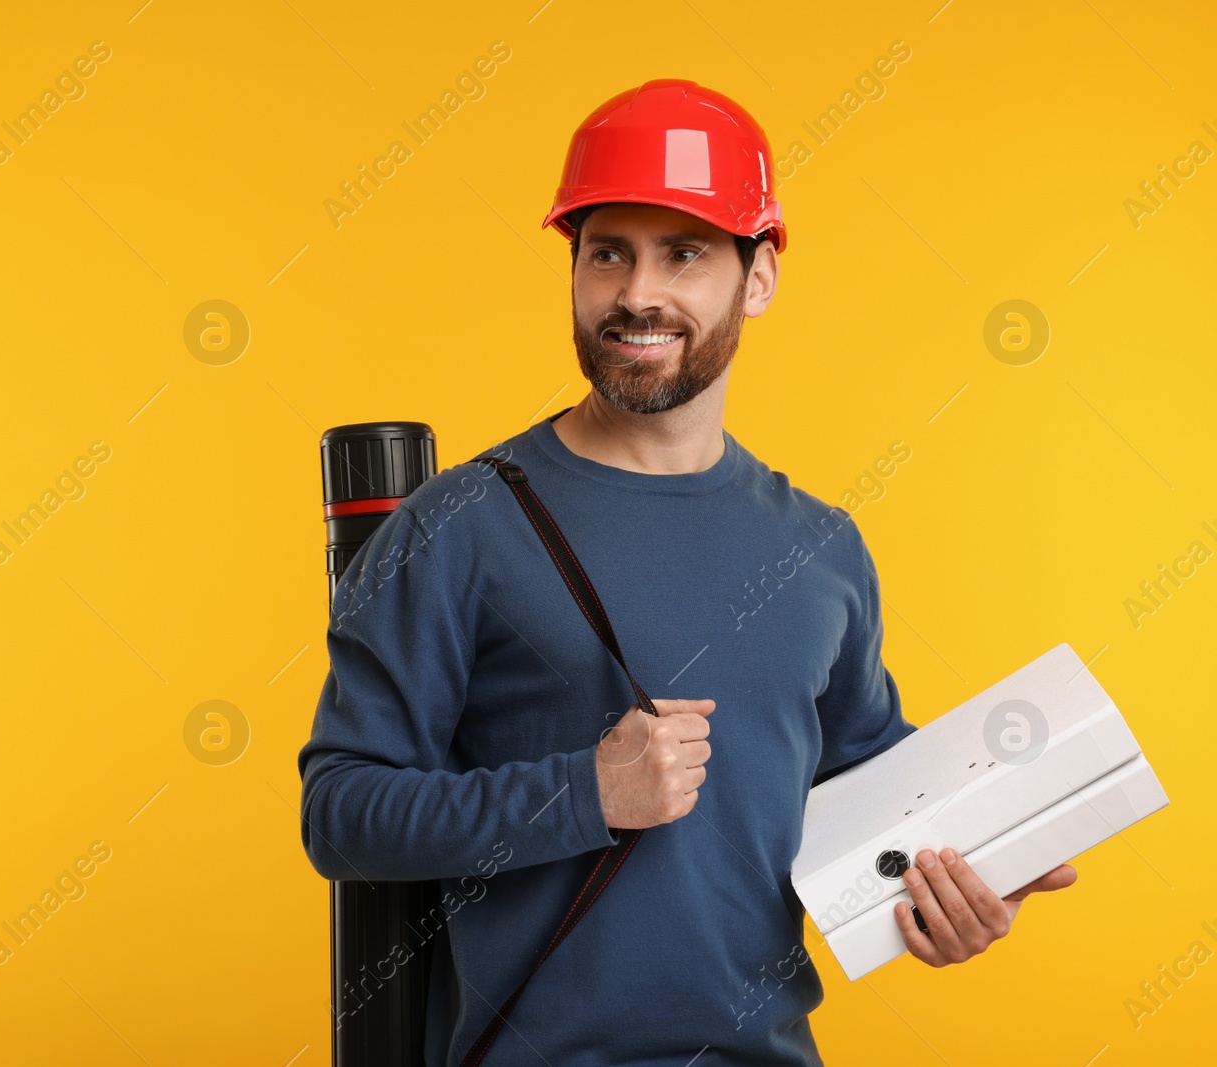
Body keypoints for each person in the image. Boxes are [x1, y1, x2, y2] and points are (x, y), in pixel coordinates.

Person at [297, 80, 1076, 1066]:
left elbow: (867, 802)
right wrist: (583, 789)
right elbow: (342, 813)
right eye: (606, 251)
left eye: (685, 253)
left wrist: (959, 877)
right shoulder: (455, 527)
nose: (635, 294)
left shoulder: (822, 548)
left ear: (757, 278)